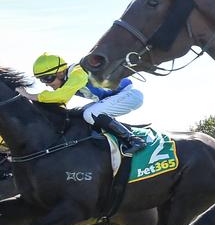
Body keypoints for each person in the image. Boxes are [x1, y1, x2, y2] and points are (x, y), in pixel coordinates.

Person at [16, 53, 146, 154]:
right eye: (42, 80)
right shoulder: (67, 79)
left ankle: (134, 141)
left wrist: (29, 95)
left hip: (129, 95)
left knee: (91, 114)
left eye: (47, 78)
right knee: (81, 113)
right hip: (117, 96)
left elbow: (60, 97)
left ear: (61, 72)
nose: (46, 83)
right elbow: (60, 101)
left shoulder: (77, 72)